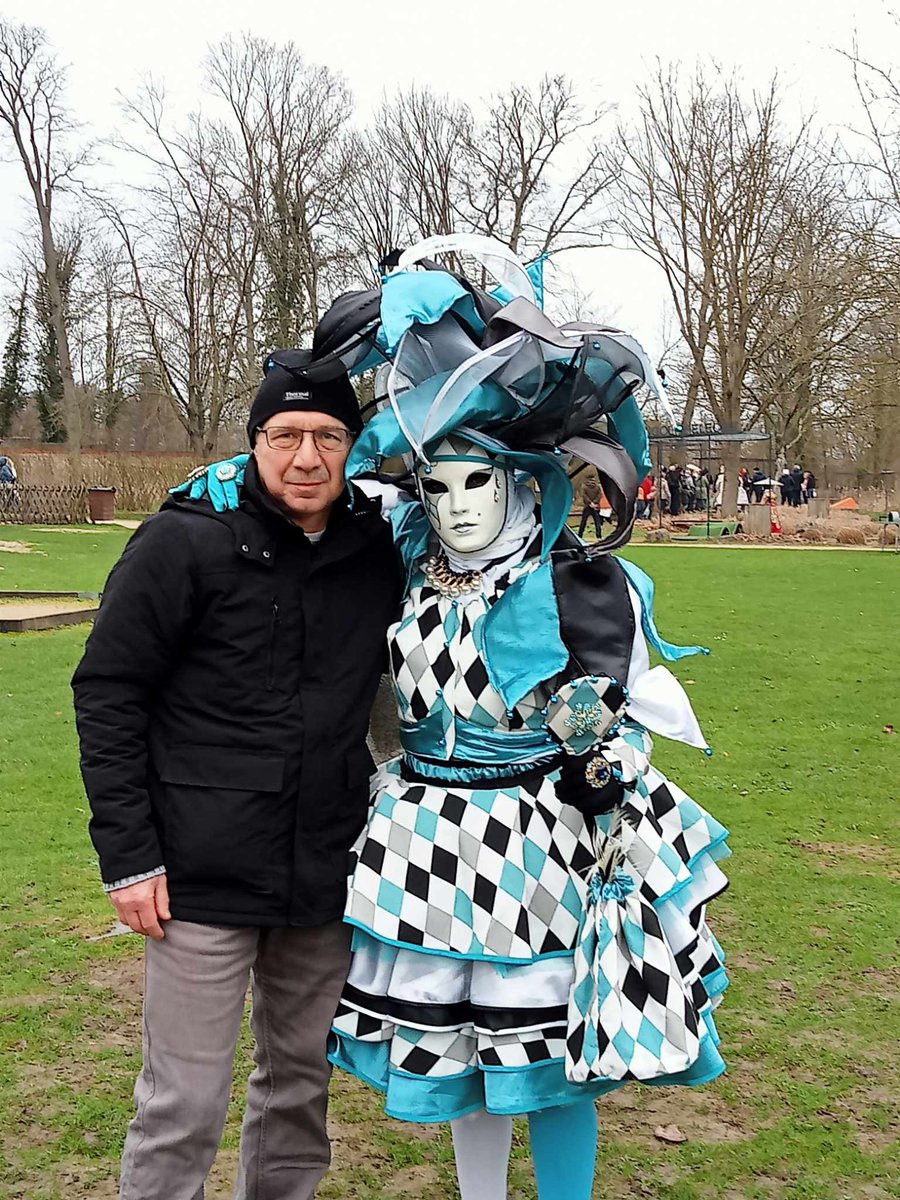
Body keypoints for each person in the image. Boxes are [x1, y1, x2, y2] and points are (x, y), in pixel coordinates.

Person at [188, 240, 731, 1200]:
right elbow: (324, 483)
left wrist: (598, 763)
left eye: (477, 483)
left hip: (543, 837)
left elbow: (612, 704)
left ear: (524, 484)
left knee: (557, 1056)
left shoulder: (576, 583)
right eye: (437, 486)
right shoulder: (405, 559)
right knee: (469, 1056)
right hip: (429, 834)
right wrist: (227, 478)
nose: (454, 506)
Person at [72, 358, 402, 1200]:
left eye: (328, 436)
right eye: (285, 435)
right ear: (255, 441)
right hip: (197, 874)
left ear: (354, 447)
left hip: (325, 870)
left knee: (299, 1089)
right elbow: (109, 692)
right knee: (182, 1103)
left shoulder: (376, 550)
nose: (306, 457)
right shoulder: (184, 540)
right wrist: (129, 858)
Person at [576, 469, 604, 539]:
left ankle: (580, 535)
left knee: (583, 521)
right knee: (597, 521)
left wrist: (590, 503)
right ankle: (599, 536)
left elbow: (584, 495)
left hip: (587, 506)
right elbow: (599, 495)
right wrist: (594, 502)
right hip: (596, 506)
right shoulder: (597, 486)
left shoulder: (584, 486)